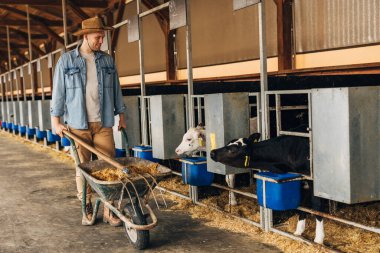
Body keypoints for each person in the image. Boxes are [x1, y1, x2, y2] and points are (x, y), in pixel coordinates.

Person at [50, 16, 126, 226]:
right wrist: (55, 121)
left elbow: (117, 90)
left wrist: (122, 115)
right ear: (85, 36)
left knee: (108, 165)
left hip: (103, 123)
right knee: (83, 167)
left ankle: (110, 209)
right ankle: (87, 205)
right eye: (98, 37)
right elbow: (58, 93)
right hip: (77, 125)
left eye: (102, 37)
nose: (101, 41)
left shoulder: (107, 60)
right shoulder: (66, 61)